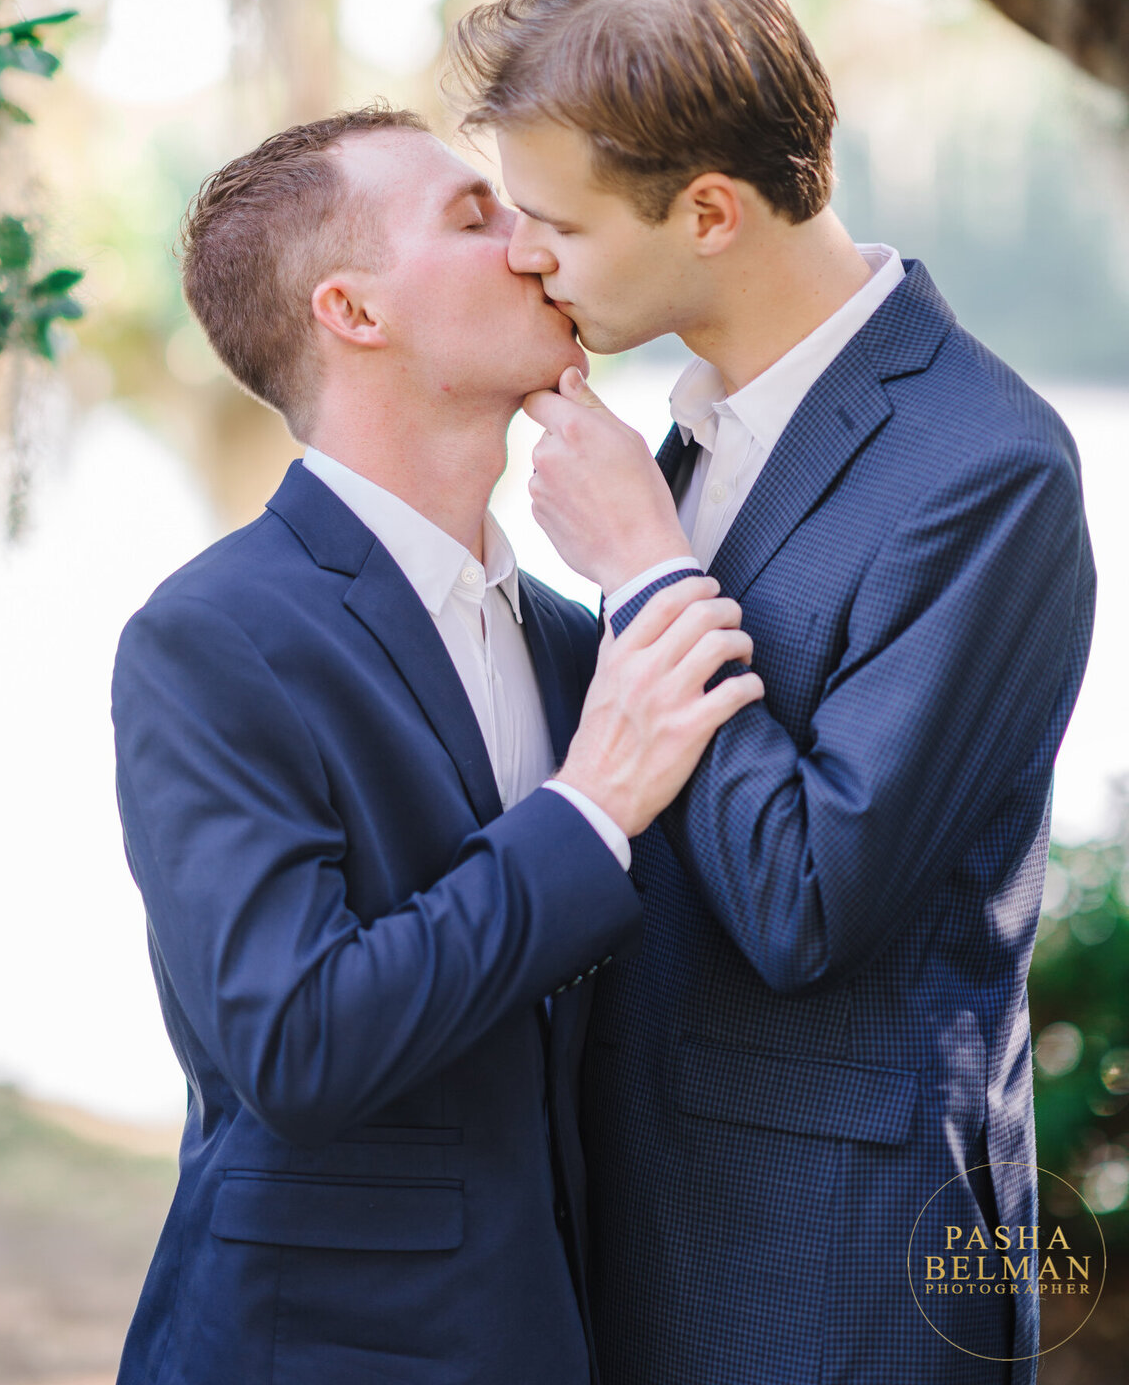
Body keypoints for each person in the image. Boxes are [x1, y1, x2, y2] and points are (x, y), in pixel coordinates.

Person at [450, 0, 1097, 1385]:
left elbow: (808, 899)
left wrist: (644, 570)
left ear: (709, 211)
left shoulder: (985, 470)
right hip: (631, 1223)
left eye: (555, 222)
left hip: (831, 1264)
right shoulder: (705, 429)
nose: (522, 255)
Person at [110, 105, 763, 1385]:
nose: (536, 244)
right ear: (353, 312)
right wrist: (587, 810)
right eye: (477, 217)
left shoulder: (586, 650)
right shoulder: (207, 639)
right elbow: (297, 1040)